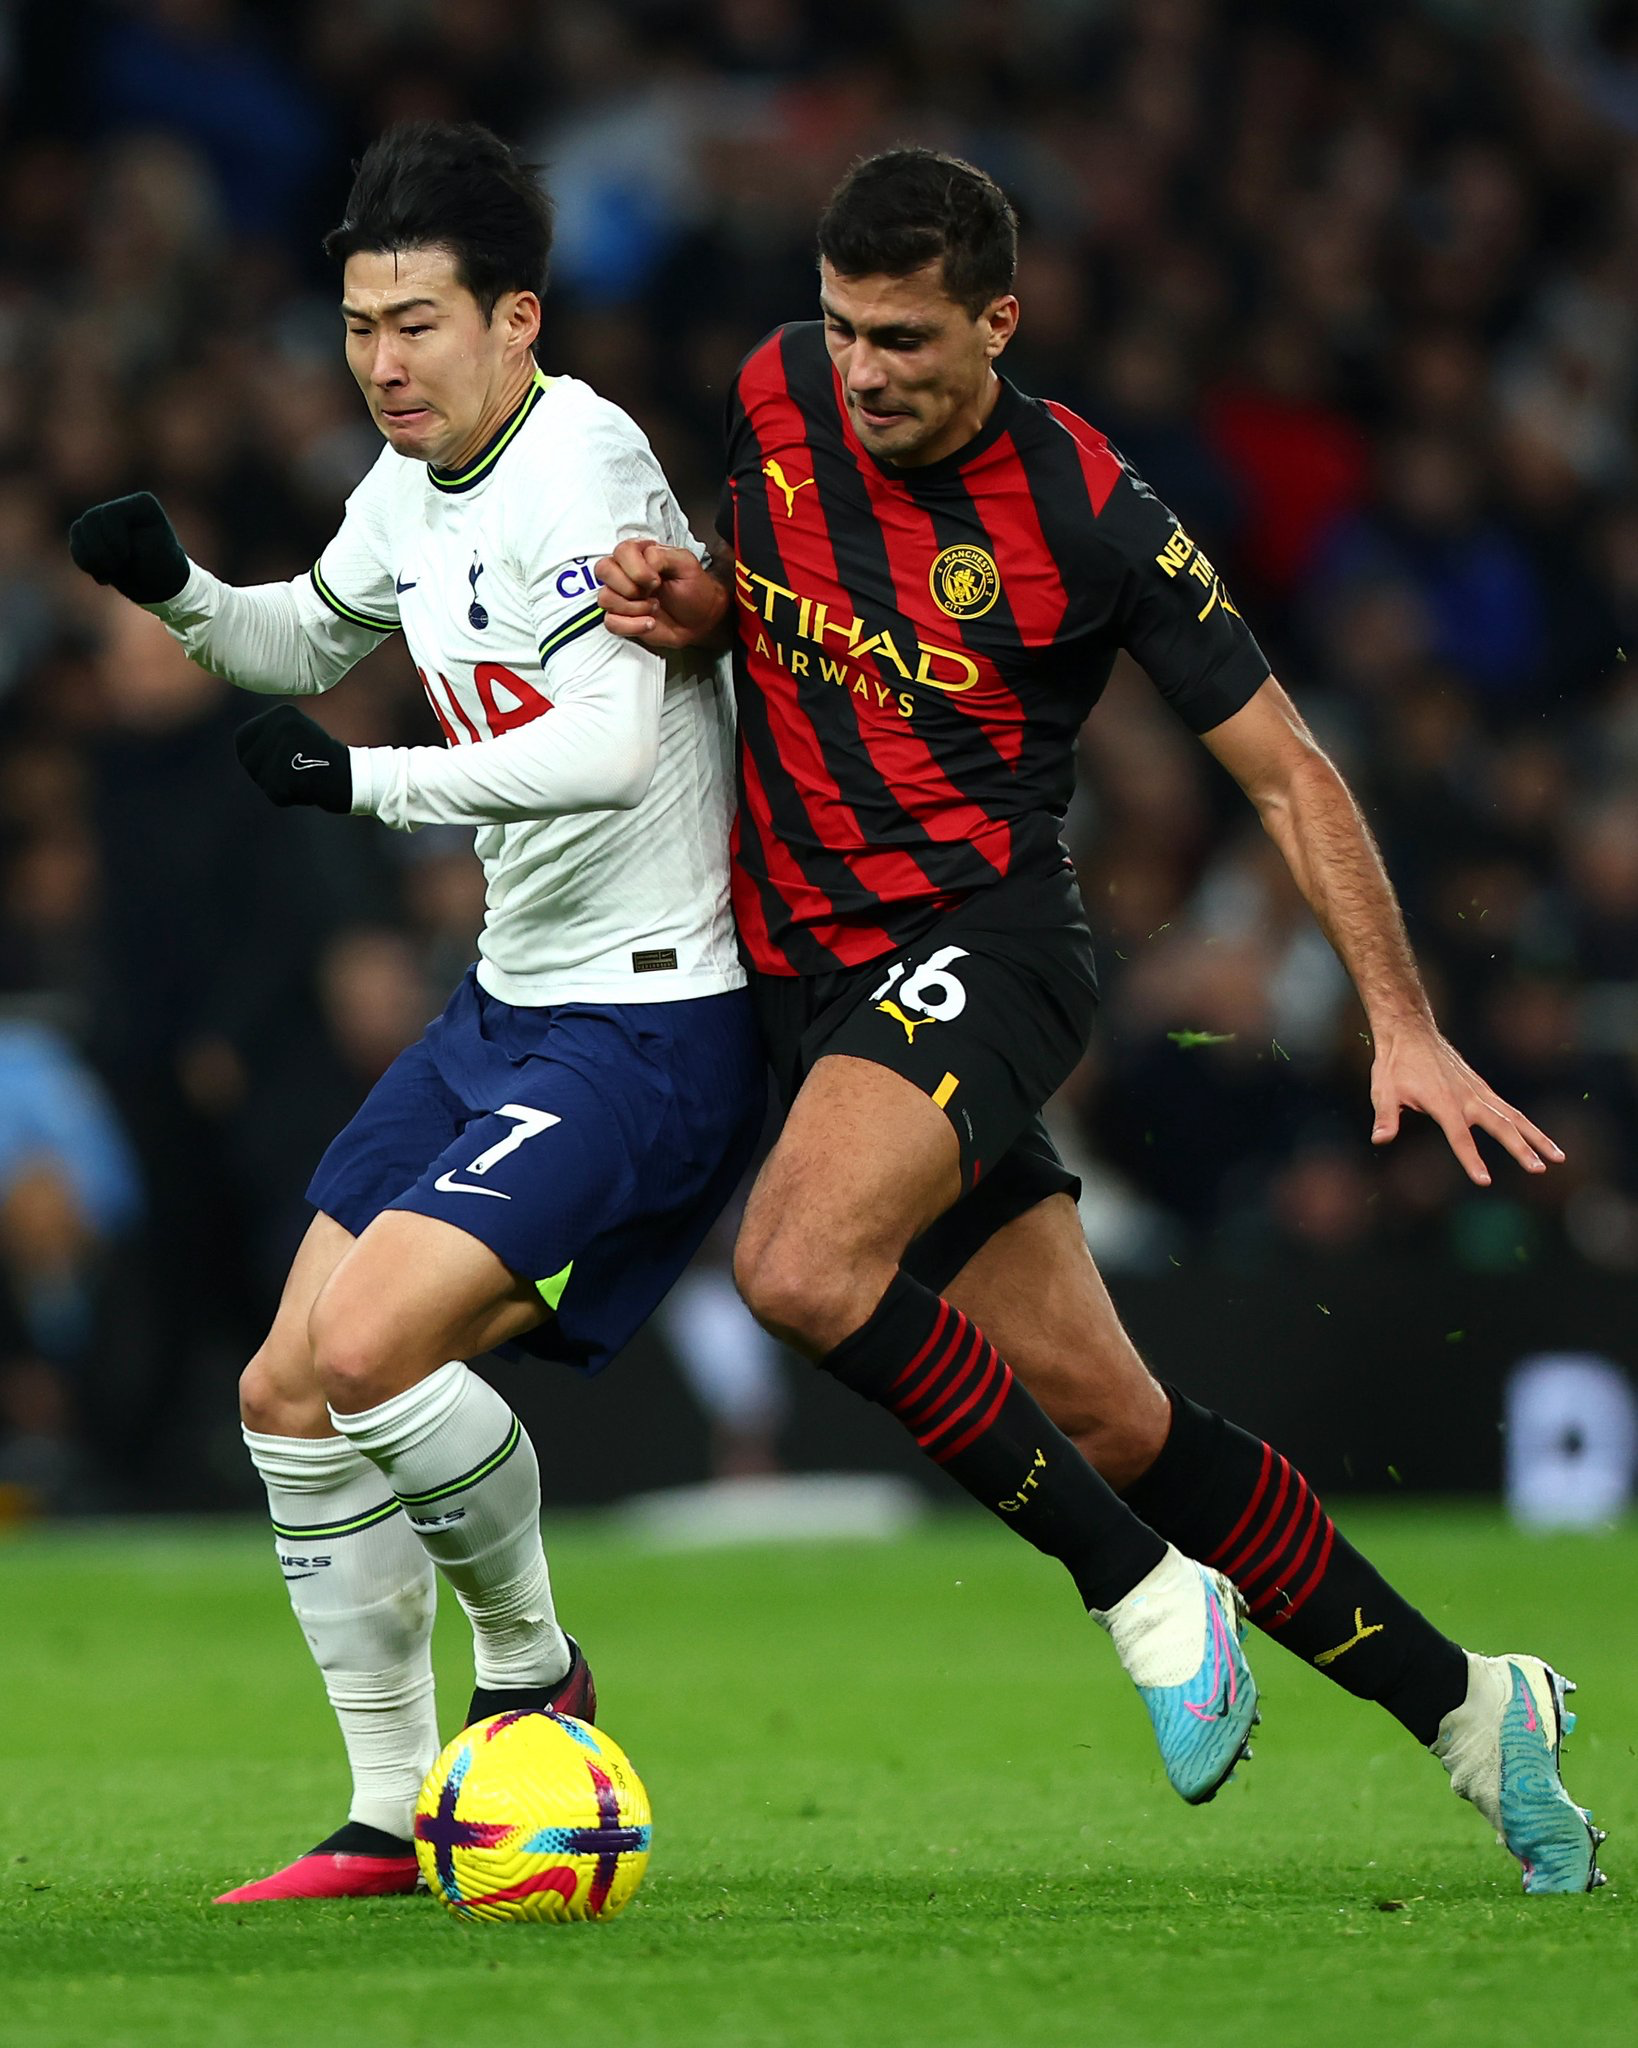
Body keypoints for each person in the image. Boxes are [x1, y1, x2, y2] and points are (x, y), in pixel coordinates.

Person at [68, 124, 1259, 1904]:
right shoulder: (406, 489)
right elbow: (298, 640)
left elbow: (612, 742)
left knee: (368, 1349)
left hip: (652, 1022)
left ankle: (540, 1679)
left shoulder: (589, 471)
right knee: (281, 1398)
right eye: (356, 327)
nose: (380, 361)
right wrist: (174, 590)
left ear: (515, 321)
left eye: (415, 323)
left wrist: (368, 788)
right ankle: (391, 1814)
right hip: (505, 1003)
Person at [596, 147, 1606, 1896]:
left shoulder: (1086, 507)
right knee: (1116, 1418)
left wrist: (1402, 1022)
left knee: (797, 1269)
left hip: (981, 951)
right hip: (814, 988)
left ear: (1000, 318)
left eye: (905, 338)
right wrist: (703, 614)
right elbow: (756, 606)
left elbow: (1288, 775)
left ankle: (1140, 1593)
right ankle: (1470, 1710)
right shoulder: (770, 396)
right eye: (842, 332)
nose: (864, 373)